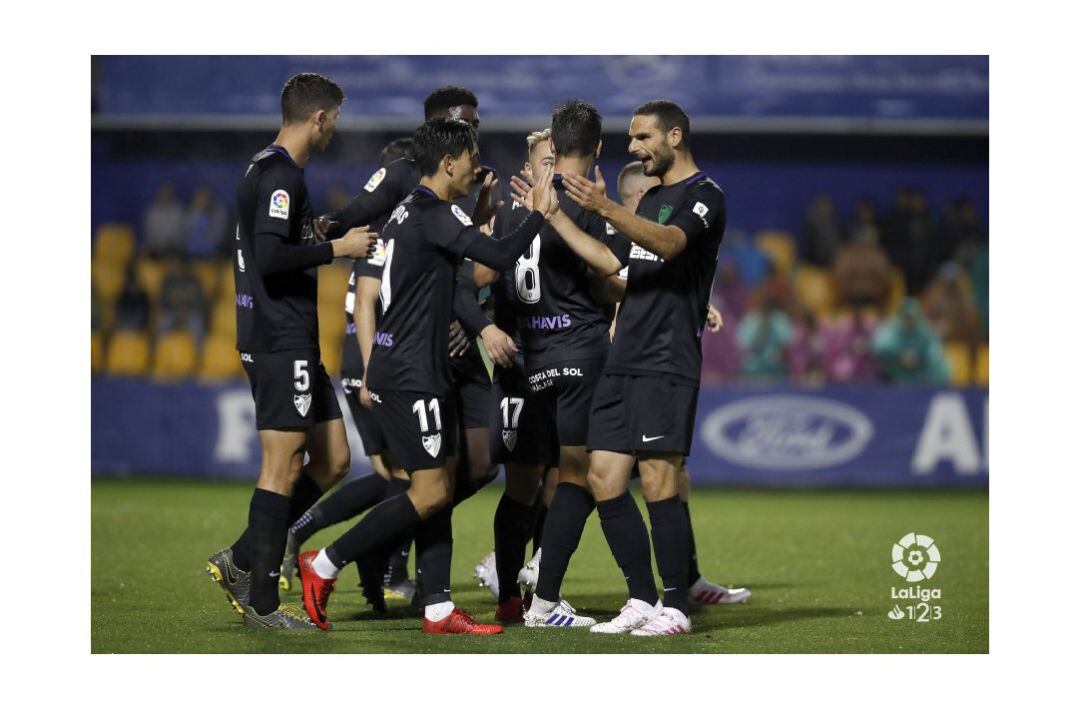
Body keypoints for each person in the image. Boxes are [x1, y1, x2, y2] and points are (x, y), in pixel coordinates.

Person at [296, 117, 560, 635]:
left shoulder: (412, 213)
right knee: (431, 492)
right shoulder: (432, 214)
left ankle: (438, 608)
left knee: (438, 484)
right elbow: (502, 257)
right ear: (448, 162)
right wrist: (540, 215)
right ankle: (324, 563)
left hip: (416, 367)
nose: (477, 163)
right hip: (412, 372)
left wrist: (482, 213)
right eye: (472, 154)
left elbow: (454, 266)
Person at [536, 100, 726, 636]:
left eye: (642, 137)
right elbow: (613, 265)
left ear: (675, 135)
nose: (632, 147)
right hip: (624, 359)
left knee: (660, 478)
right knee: (603, 476)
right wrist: (555, 218)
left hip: (666, 360)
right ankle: (642, 599)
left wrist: (605, 207)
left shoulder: (704, 196)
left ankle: (676, 607)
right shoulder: (651, 199)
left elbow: (669, 245)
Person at [205, 72, 378, 630]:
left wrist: (314, 235)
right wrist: (337, 247)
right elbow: (272, 257)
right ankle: (260, 602)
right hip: (279, 339)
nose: (335, 130)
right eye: (335, 120)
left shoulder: (266, 167)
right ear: (319, 118)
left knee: (333, 460)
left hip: (293, 337)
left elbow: (276, 246)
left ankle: (241, 555)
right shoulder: (280, 174)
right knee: (282, 466)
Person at [469, 129, 561, 620]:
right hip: (519, 366)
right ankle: (509, 594)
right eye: (544, 161)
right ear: (527, 168)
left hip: (566, 363)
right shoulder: (506, 214)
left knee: (567, 478)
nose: (551, 169)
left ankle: (544, 593)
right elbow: (476, 278)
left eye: (558, 161)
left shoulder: (576, 215)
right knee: (523, 484)